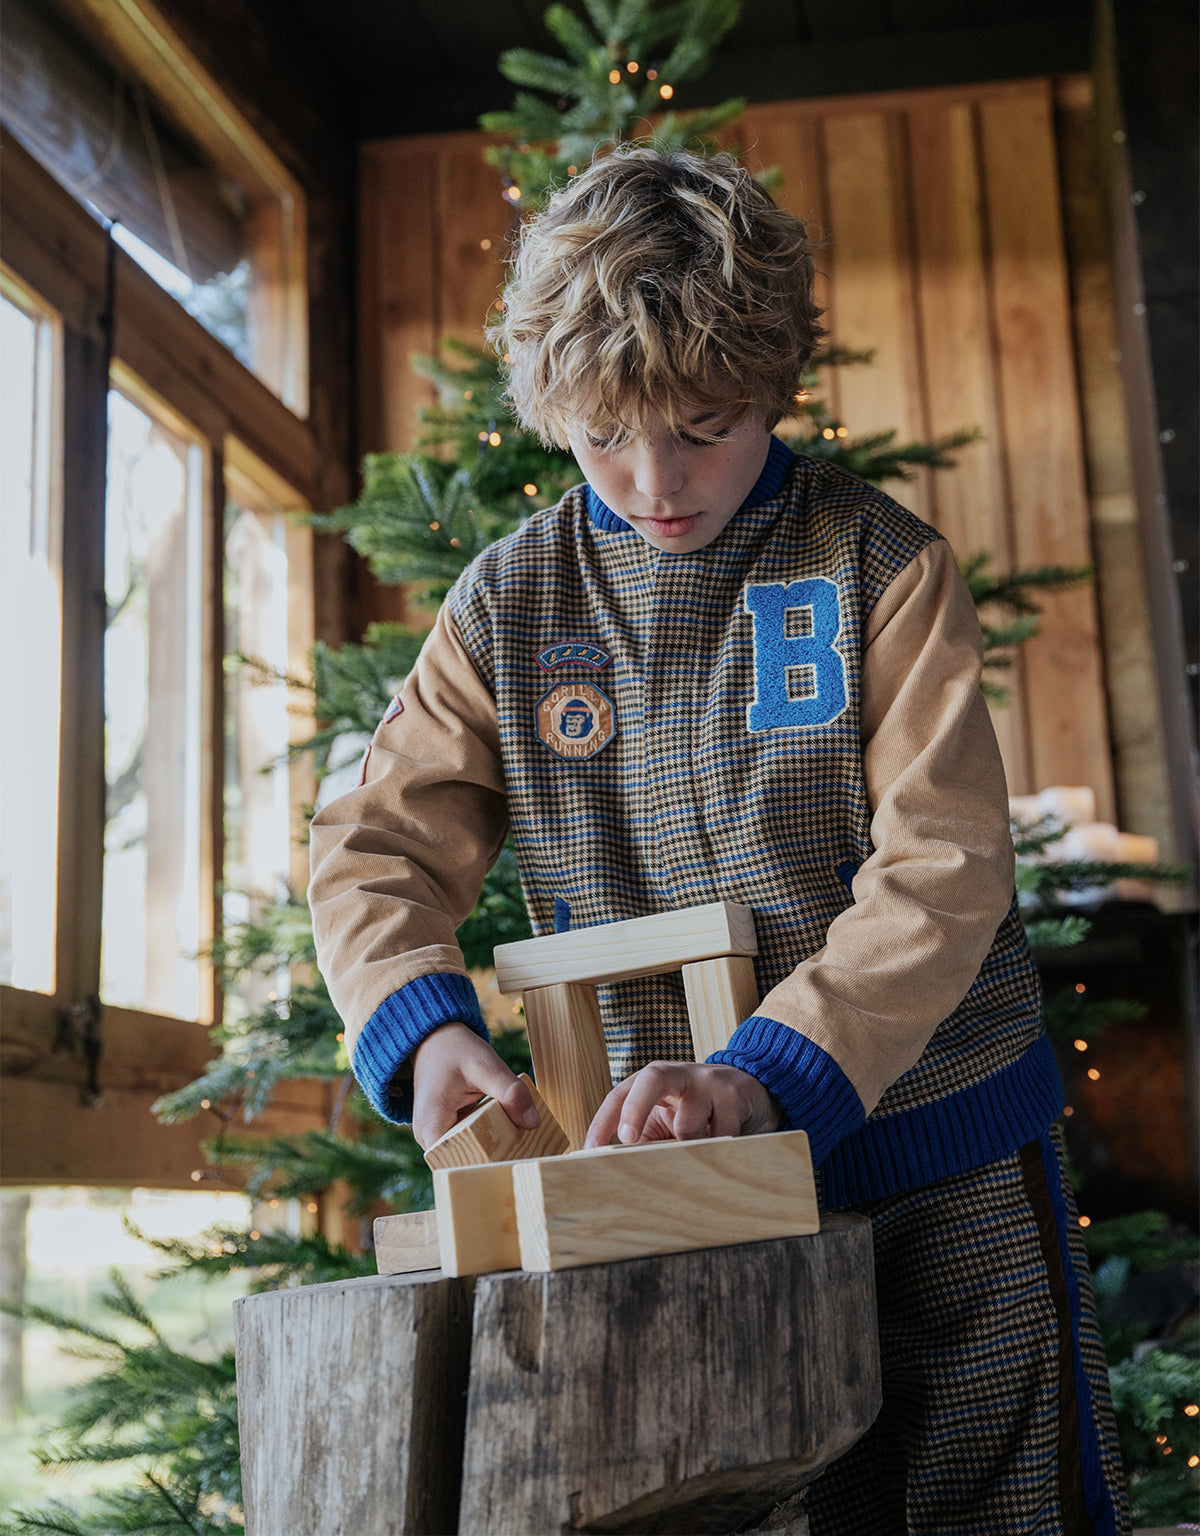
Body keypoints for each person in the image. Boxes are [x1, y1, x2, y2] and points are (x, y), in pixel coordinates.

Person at [309, 145, 1129, 1534]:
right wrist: (421, 1026)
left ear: (776, 380)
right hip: (669, 1194)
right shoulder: (507, 606)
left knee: (991, 1505)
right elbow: (373, 847)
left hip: (939, 1156)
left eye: (703, 424)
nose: (654, 479)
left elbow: (943, 870)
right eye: (605, 435)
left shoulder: (879, 567)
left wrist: (767, 1071)